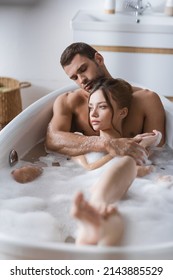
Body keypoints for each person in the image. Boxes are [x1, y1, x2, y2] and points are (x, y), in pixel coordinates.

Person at [70, 78, 162, 246]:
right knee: (127, 163)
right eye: (91, 108)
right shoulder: (81, 142)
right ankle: (98, 218)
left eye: (102, 107)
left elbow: (147, 173)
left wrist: (160, 180)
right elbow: (90, 168)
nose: (93, 114)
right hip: (90, 193)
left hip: (127, 201)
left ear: (123, 113)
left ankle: (96, 229)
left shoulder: (133, 151)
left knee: (128, 164)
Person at [45, 42, 165, 166]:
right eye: (75, 78)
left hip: (136, 174)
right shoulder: (69, 102)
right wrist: (106, 144)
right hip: (81, 173)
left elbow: (158, 153)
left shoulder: (146, 100)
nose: (81, 80)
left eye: (83, 69)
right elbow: (52, 140)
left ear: (99, 59)